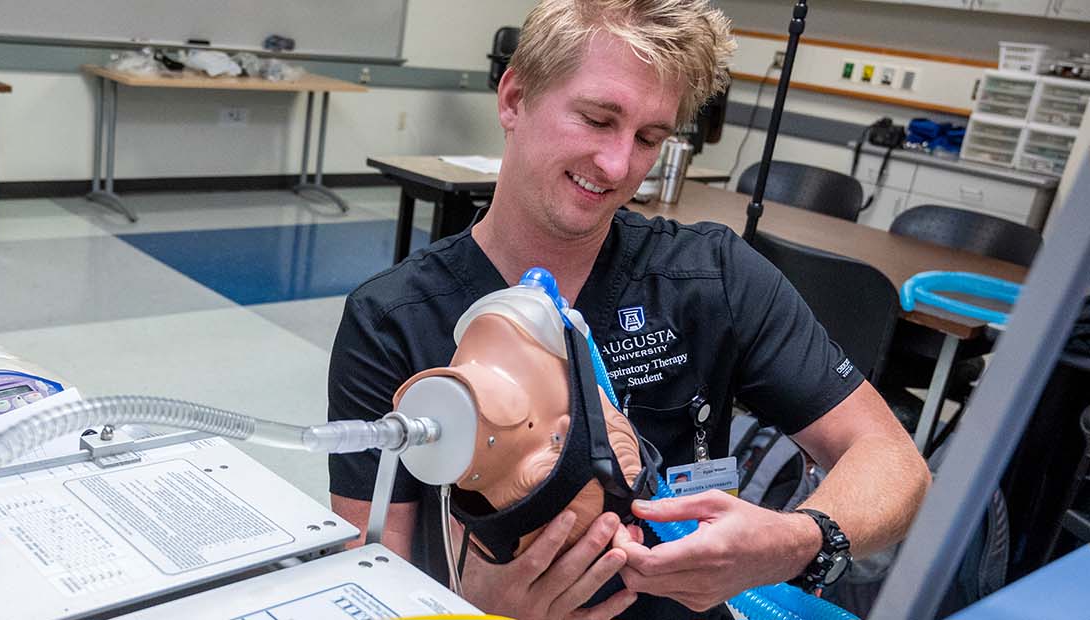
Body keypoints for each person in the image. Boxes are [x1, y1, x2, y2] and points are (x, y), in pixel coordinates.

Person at [325, 0, 932, 618]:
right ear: (514, 99)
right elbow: (366, 582)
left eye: (648, 138)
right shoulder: (393, 319)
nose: (618, 166)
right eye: (595, 120)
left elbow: (894, 463)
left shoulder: (713, 279)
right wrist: (473, 607)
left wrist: (795, 541)